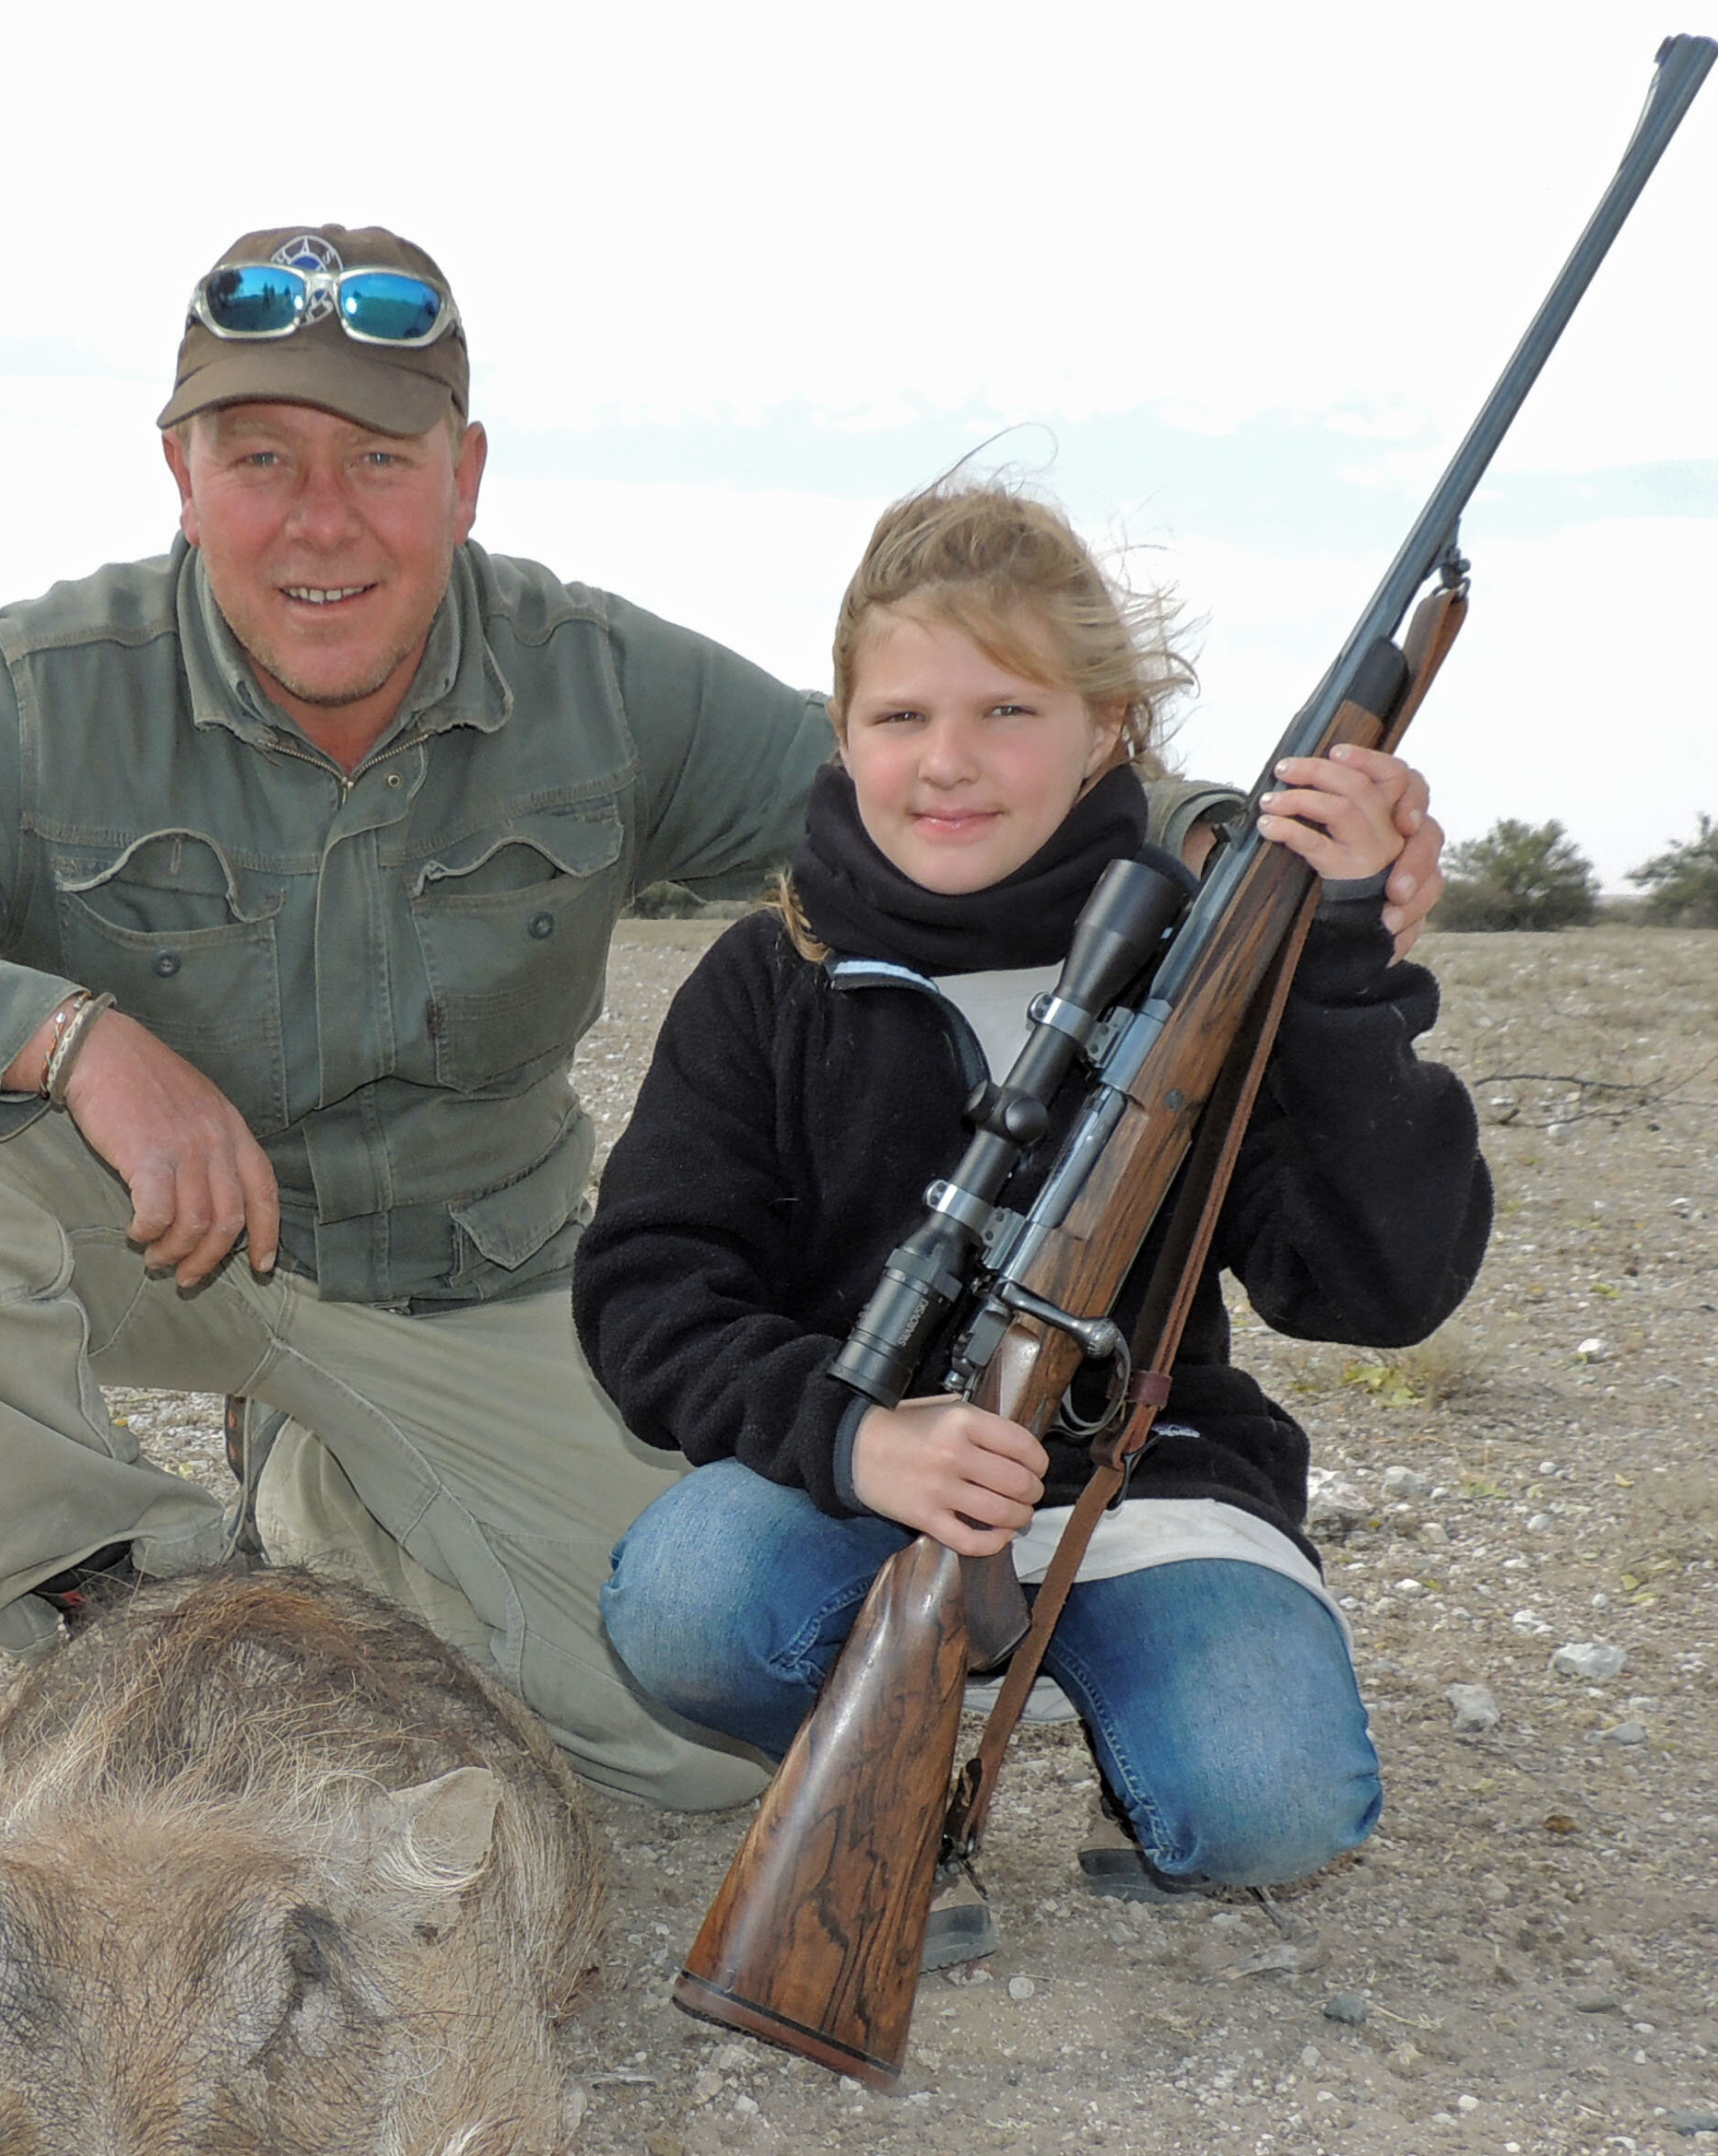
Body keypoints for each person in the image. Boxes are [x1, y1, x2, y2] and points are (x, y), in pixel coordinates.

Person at [0, 225, 1447, 1813]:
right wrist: (71, 1039)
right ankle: (118, 1611)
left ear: (466, 471)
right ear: (177, 471)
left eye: (380, 459)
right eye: (258, 456)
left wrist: (1253, 847)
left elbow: (944, 781)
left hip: (481, 1287)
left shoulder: (601, 678)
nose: (320, 518)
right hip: (143, 1238)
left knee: (705, 1732)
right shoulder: (29, 691)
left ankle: (340, 1494)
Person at [573, 477, 1491, 1907]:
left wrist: (1344, 964)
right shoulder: (767, 976)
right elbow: (645, 1293)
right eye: (900, 718)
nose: (948, 762)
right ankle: (869, 1763)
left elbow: (1376, 1292)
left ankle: (1103, 1719)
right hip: (859, 1480)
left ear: (1105, 729)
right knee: (691, 1607)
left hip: (1141, 1480)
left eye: (1007, 712)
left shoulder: (1219, 970)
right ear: (841, 734)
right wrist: (858, 1437)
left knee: (1268, 1812)